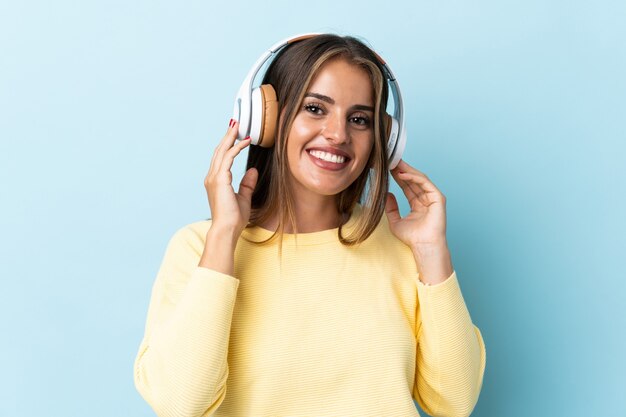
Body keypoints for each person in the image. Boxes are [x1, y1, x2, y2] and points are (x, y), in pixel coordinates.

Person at [133, 33, 486, 417]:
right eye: (315, 108)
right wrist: (223, 237)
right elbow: (179, 404)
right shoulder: (197, 248)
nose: (338, 134)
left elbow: (455, 403)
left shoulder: (406, 249)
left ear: (383, 139)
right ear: (266, 118)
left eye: (359, 119)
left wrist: (432, 253)